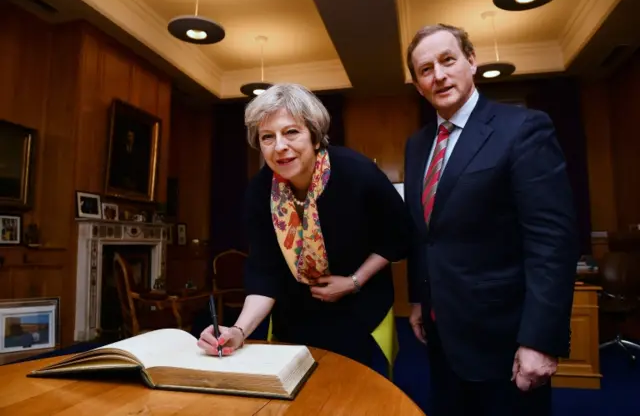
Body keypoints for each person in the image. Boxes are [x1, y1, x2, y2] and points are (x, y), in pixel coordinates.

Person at [403, 24, 579, 416]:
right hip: (441, 333)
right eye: (426, 69)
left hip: (505, 339)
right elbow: (425, 234)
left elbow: (552, 241)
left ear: (471, 60)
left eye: (448, 60)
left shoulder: (523, 129)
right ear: (418, 86)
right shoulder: (417, 146)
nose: (439, 74)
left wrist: (540, 340)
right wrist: (419, 298)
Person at [198, 83, 410, 369]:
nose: (280, 146)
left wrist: (353, 281)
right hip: (294, 315)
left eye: (291, 132)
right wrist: (238, 331)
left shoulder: (357, 173)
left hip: (359, 309)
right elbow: (264, 271)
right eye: (267, 137)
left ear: (314, 134)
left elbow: (397, 236)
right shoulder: (260, 192)